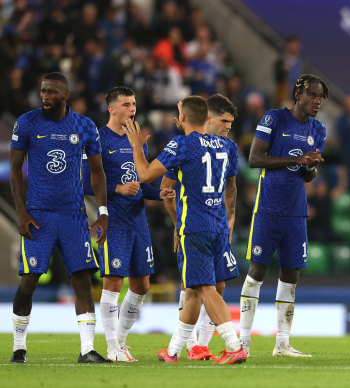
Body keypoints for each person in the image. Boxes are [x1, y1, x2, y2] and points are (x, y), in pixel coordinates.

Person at [123, 96, 246, 365]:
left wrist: (135, 147)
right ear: (208, 118)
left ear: (185, 118)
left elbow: (144, 175)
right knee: (192, 289)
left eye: (179, 114)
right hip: (218, 225)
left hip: (195, 226)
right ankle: (174, 350)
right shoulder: (228, 146)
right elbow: (230, 188)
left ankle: (234, 345)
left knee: (204, 288)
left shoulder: (181, 144)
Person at [9, 72, 111, 363]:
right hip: (38, 214)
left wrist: (102, 213)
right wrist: (20, 211)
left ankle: (87, 350)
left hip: (74, 215)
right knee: (29, 279)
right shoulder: (27, 122)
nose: (45, 97)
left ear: (67, 95)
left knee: (81, 278)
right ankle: (19, 347)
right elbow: (15, 168)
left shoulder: (84, 125)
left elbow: (97, 172)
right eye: (43, 91)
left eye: (52, 92)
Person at [81, 86, 175, 362]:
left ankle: (120, 341)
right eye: (125, 104)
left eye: (133, 103)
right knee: (113, 282)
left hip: (138, 222)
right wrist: (118, 189)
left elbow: (142, 183)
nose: (132, 108)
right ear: (111, 108)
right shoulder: (97, 138)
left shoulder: (139, 141)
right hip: (114, 222)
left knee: (142, 285)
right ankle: (112, 348)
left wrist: (158, 193)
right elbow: (86, 182)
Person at [239, 74, 327, 358]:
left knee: (291, 275)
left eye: (320, 98)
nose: (317, 102)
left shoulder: (318, 129)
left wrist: (311, 166)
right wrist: (298, 159)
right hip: (268, 208)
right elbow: (255, 160)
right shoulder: (274, 118)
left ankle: (282, 344)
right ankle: (243, 342)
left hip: (296, 211)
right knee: (257, 272)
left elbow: (308, 176)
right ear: (298, 94)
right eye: (313, 95)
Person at [161, 93, 239, 361]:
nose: (228, 126)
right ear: (208, 119)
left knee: (211, 286)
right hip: (194, 225)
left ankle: (184, 348)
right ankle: (192, 346)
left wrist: (231, 216)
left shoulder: (227, 148)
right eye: (224, 121)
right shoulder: (189, 146)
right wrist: (176, 224)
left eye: (231, 122)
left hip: (213, 226)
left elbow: (231, 186)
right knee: (194, 285)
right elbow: (166, 188)